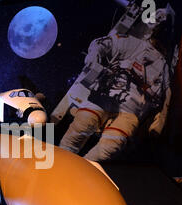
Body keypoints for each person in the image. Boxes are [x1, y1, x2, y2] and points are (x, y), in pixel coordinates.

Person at [58, 19, 173, 162]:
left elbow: (165, 101)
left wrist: (157, 125)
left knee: (110, 148)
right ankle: (60, 164)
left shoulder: (165, 69)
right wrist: (93, 62)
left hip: (132, 111)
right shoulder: (133, 44)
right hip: (107, 95)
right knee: (81, 128)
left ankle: (84, 169)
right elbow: (101, 44)